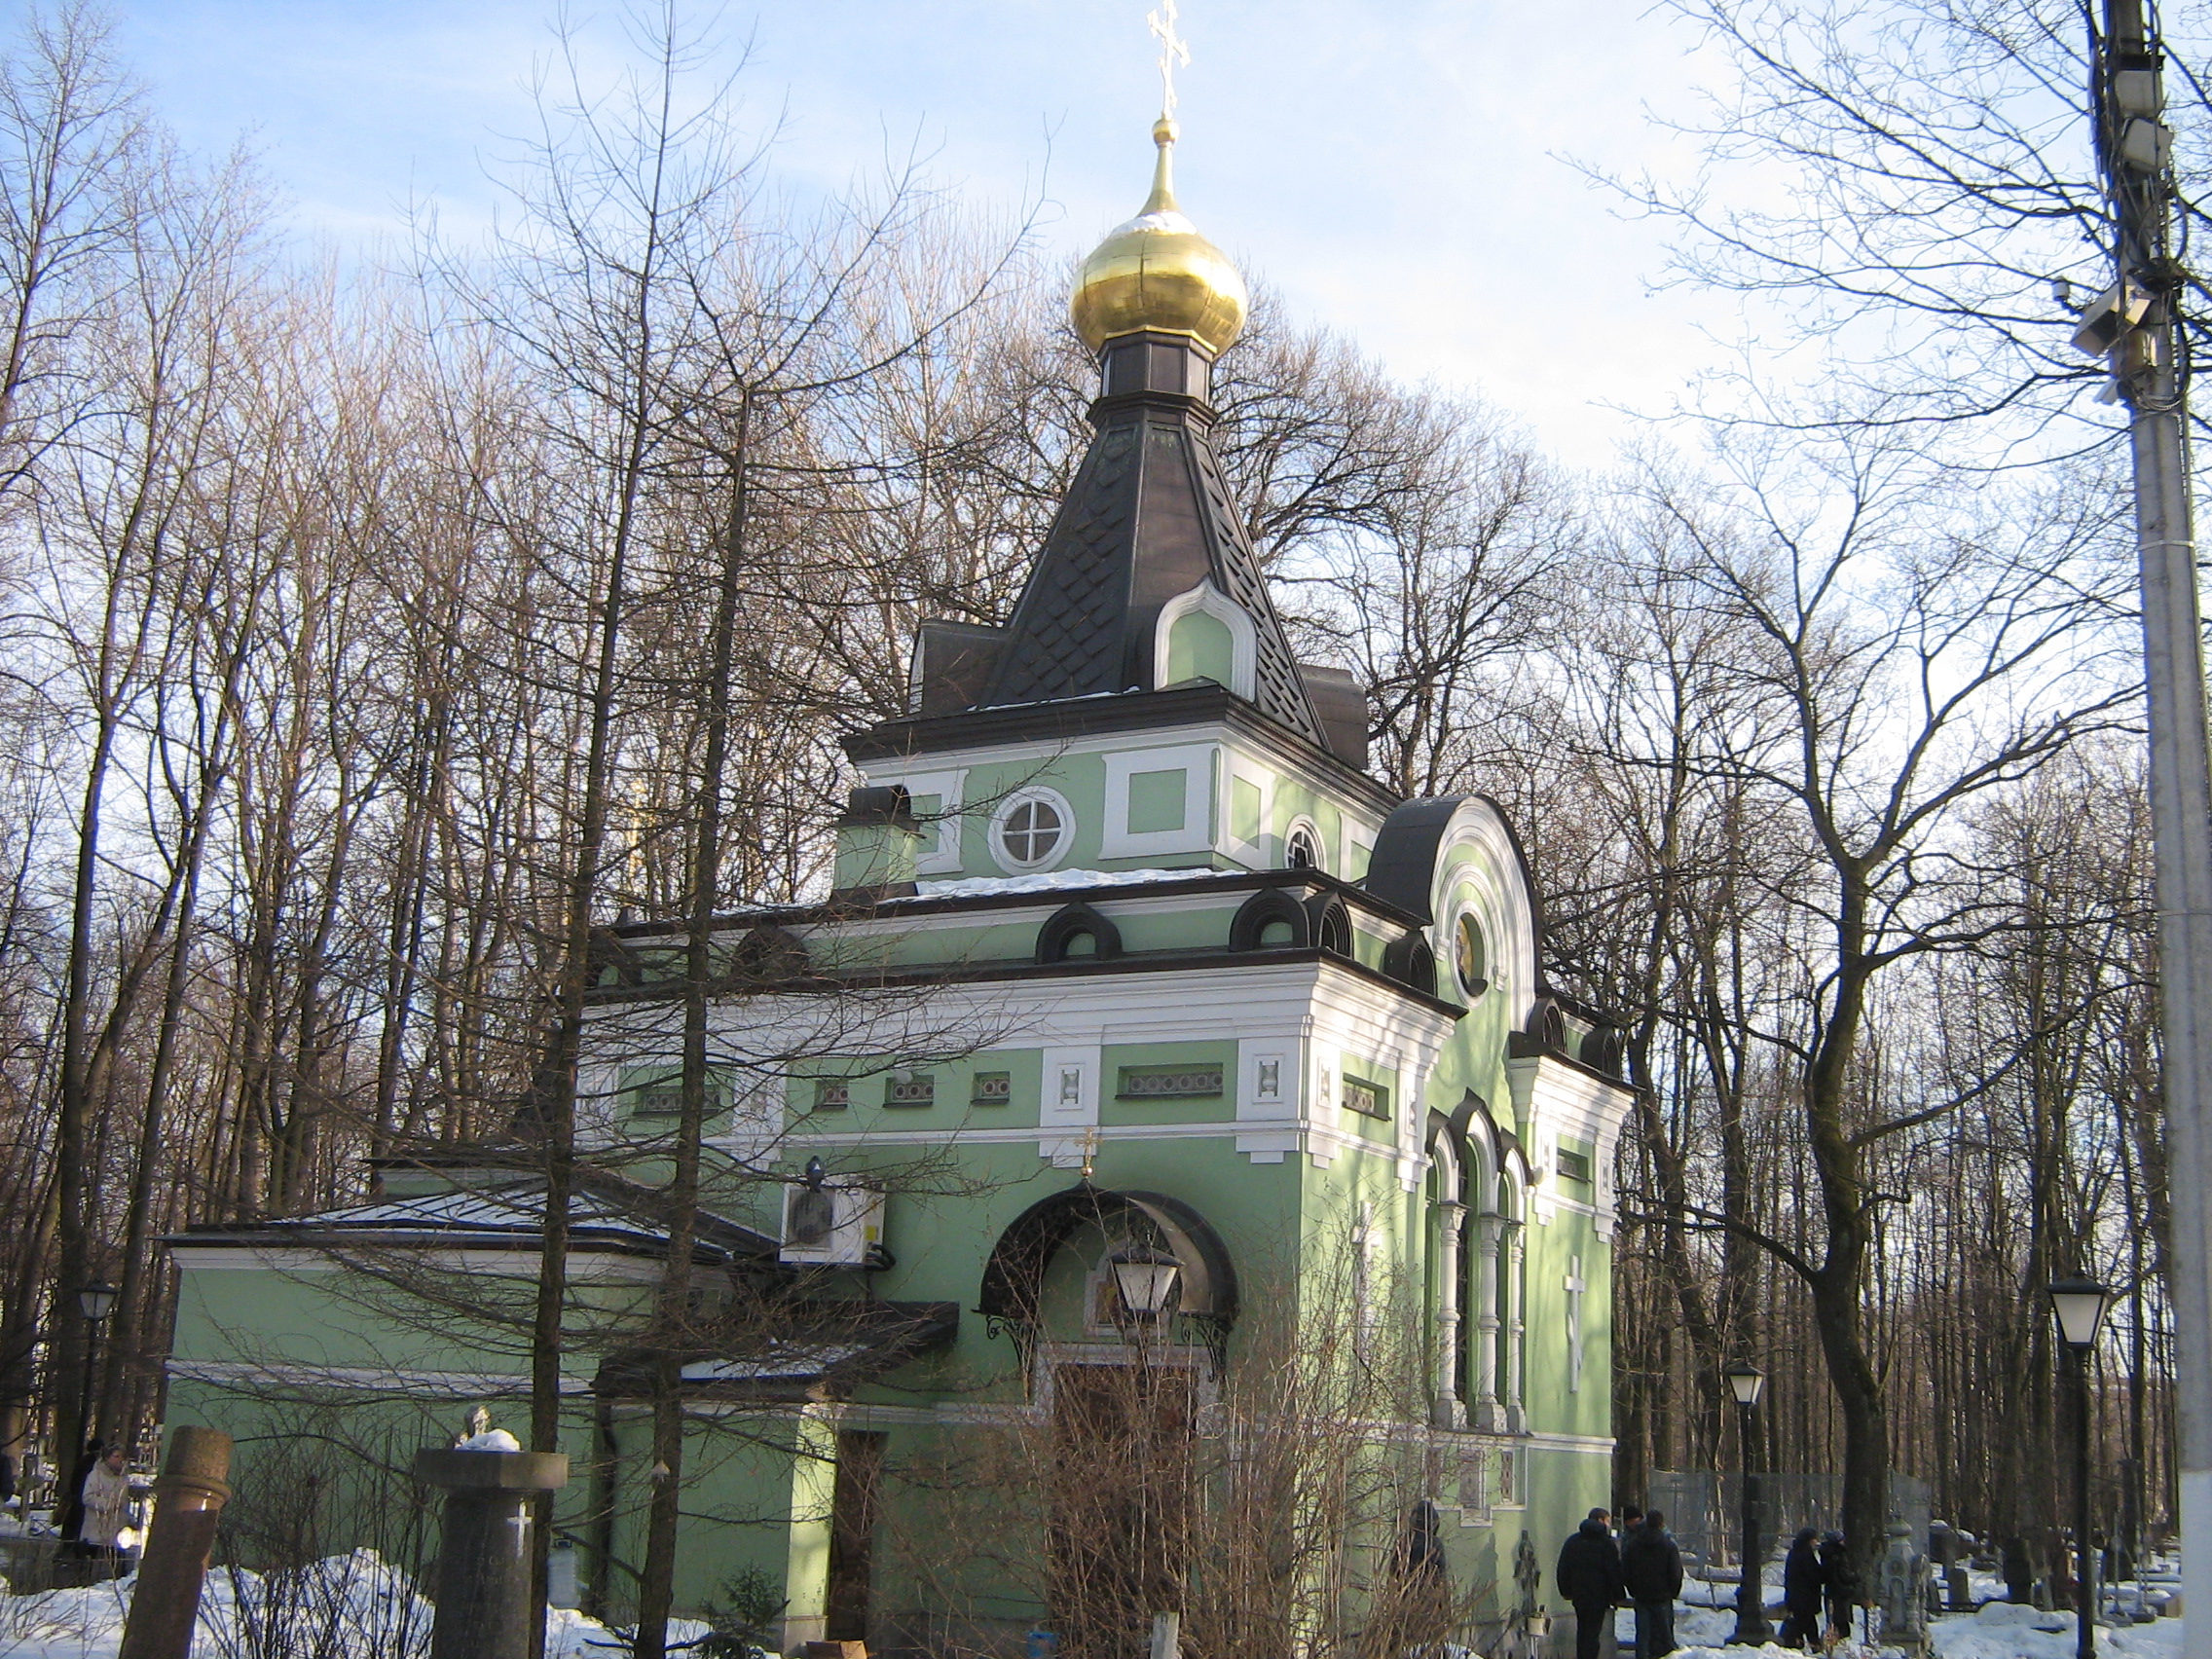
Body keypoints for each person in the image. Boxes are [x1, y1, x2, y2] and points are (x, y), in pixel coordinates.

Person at [1557, 1508, 1625, 1659]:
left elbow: (1563, 1568)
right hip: (1600, 1595)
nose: (1609, 1524)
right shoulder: (1606, 1543)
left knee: (1583, 1630)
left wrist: (1565, 1591)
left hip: (1579, 1594)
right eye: (1608, 1520)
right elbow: (1613, 1571)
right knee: (1593, 1633)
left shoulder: (1573, 1541)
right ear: (1601, 1521)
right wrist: (1618, 1595)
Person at [1620, 1506, 1683, 1658]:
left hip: (1642, 1596)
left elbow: (1626, 1570)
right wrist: (1673, 1592)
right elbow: (1675, 1572)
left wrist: (1633, 1590)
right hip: (1663, 1596)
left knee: (1643, 1635)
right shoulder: (1668, 1545)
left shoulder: (1633, 1545)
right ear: (1661, 1524)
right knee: (1664, 1634)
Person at [1778, 1528, 1825, 1649]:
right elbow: (1812, 1573)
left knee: (1801, 1620)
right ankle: (1813, 1645)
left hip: (1796, 1594)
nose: (1816, 1542)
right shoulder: (1805, 1554)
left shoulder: (1795, 1552)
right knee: (1808, 1621)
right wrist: (1823, 1574)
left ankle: (1798, 1643)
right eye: (1814, 1539)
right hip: (1805, 1595)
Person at [78, 1445, 129, 1552]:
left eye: (122, 1457)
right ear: (107, 1458)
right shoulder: (95, 1475)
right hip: (96, 1533)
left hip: (117, 1535)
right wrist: (109, 1505)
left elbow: (124, 1503)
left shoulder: (123, 1479)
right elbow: (87, 1497)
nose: (120, 1460)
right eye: (116, 1456)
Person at [1818, 1530, 1859, 1644]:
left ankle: (1834, 1639)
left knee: (1834, 1619)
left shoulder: (1827, 1554)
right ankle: (1841, 1642)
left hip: (1831, 1590)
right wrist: (1855, 1577)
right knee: (1842, 1620)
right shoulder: (1838, 1554)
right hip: (1841, 1590)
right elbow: (1843, 1574)